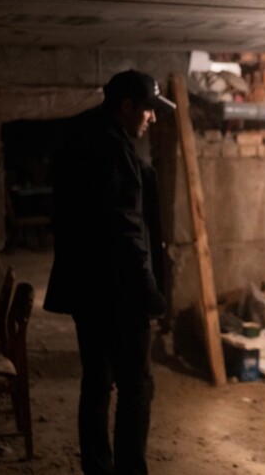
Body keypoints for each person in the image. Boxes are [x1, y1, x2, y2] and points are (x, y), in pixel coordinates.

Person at [44, 69, 175, 475]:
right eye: (148, 110)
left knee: (97, 382)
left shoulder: (80, 137)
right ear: (126, 107)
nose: (151, 118)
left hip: (87, 290)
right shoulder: (113, 149)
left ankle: (97, 467)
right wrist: (150, 291)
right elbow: (126, 229)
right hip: (119, 293)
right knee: (136, 386)